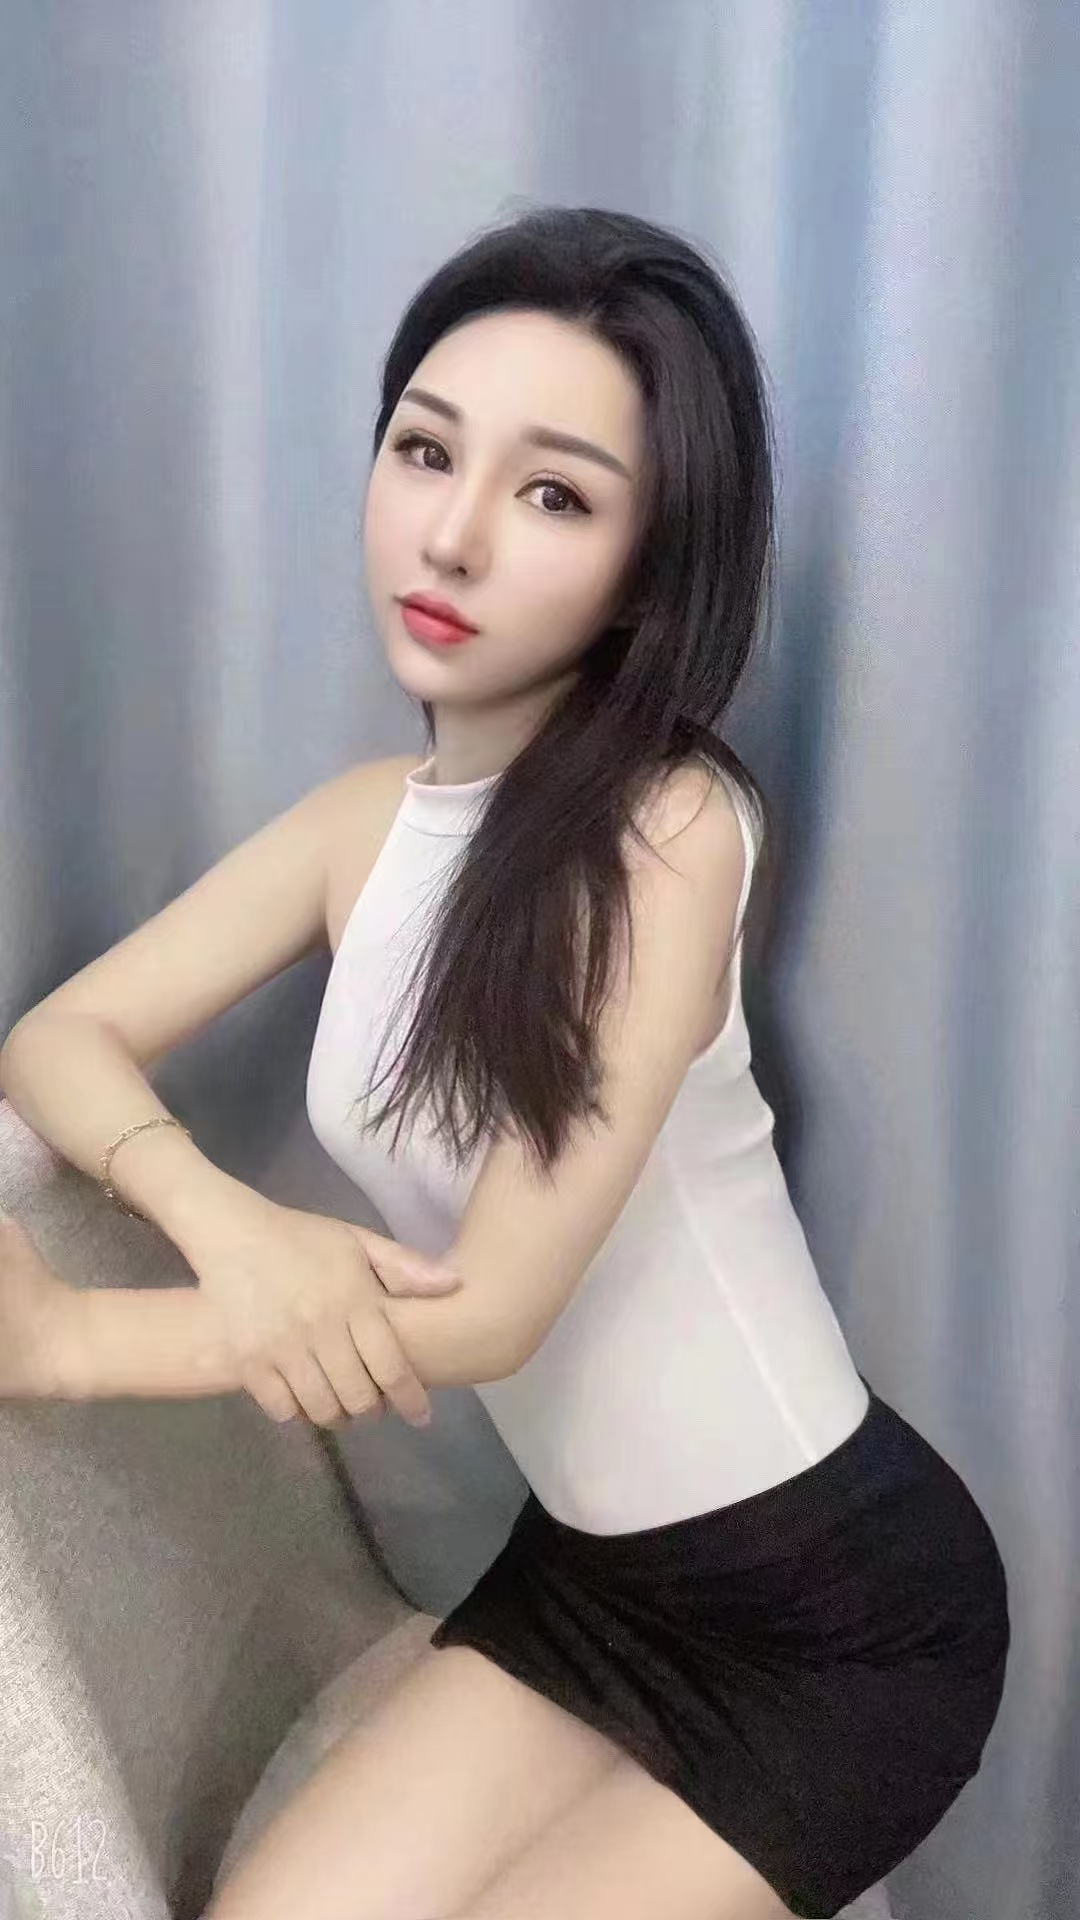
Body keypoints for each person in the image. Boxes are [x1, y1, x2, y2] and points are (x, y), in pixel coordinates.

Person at [0, 205, 1009, 1920]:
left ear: (649, 566)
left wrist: (76, 1341)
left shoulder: (674, 831)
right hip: (593, 1586)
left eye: (554, 495)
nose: (452, 536)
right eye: (424, 451)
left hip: (835, 1624)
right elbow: (56, 1036)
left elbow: (494, 1313)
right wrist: (225, 1220)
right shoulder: (356, 830)